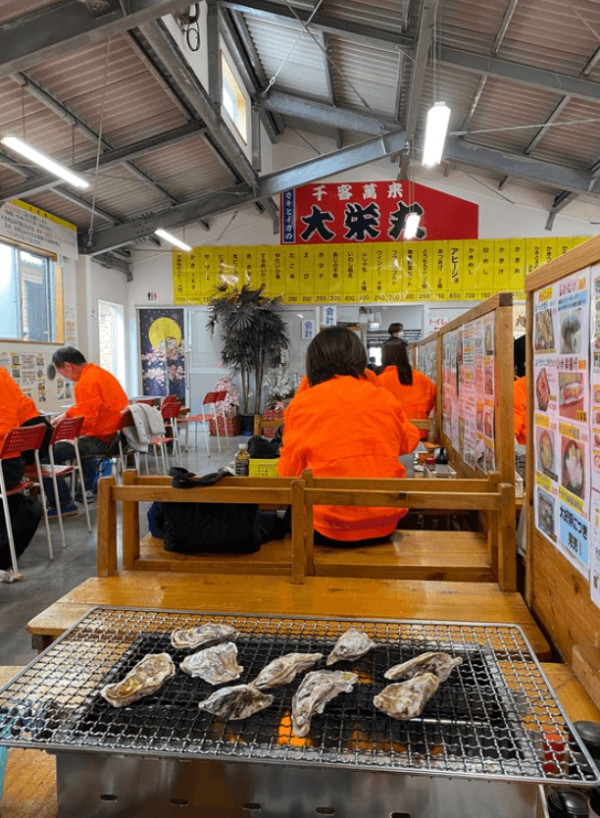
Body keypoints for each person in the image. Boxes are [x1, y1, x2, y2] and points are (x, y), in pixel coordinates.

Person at [277, 326, 420, 545]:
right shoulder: (384, 398)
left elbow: (287, 474)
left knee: (283, 517)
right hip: (384, 523)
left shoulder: (302, 404)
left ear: (313, 362)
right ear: (360, 358)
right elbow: (408, 442)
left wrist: (305, 389)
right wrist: (373, 382)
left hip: (325, 528)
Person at [50, 346, 128, 500]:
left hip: (102, 440)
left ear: (68, 366)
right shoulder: (101, 374)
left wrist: (68, 435)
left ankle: (63, 502)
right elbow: (89, 407)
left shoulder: (86, 383)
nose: (66, 378)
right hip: (116, 435)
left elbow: (88, 424)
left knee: (50, 453)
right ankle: (85, 491)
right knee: (79, 445)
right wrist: (66, 415)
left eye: (62, 373)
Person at [378, 339, 436, 439]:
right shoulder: (424, 380)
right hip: (421, 436)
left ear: (384, 357)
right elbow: (431, 405)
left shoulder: (379, 381)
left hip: (392, 438)